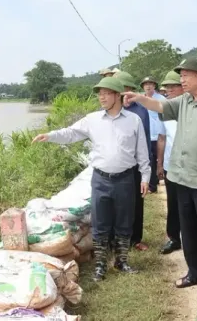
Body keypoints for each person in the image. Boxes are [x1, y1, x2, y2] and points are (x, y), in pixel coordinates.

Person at [123, 57, 197, 300]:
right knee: (188, 230)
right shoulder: (182, 101)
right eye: (181, 75)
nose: (181, 79)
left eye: (186, 75)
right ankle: (195, 273)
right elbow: (160, 107)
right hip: (181, 176)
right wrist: (139, 98)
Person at [32, 77, 151, 282]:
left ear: (117, 95)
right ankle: (100, 266)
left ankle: (121, 261)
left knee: (124, 223)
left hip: (125, 179)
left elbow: (142, 151)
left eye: (105, 93)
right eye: (99, 93)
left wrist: (145, 176)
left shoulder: (134, 121)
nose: (101, 97)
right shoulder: (92, 119)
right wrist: (50, 135)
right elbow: (71, 133)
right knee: (101, 223)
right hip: (101, 180)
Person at [113, 71, 152, 251]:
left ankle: (135, 238)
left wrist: (147, 170)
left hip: (136, 163)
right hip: (116, 163)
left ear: (130, 90)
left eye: (124, 89)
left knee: (136, 202)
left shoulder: (140, 110)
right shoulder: (108, 110)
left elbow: (144, 140)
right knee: (116, 202)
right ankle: (116, 238)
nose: (122, 93)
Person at [157, 71, 184, 255]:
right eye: (167, 87)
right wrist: (159, 164)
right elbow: (161, 138)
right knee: (173, 204)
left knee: (193, 204)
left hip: (192, 166)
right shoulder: (165, 110)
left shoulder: (194, 107)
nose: (169, 90)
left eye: (173, 86)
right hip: (170, 165)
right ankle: (174, 238)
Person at [141, 76, 165, 198]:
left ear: (154, 86)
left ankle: (160, 178)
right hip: (146, 135)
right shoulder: (141, 99)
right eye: (146, 84)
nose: (148, 86)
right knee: (149, 160)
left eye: (150, 84)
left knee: (159, 158)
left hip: (159, 135)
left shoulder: (161, 99)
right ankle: (152, 185)